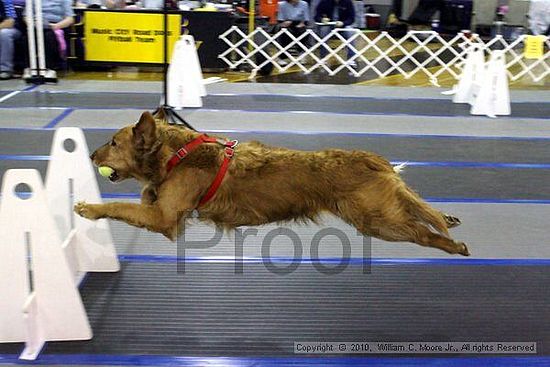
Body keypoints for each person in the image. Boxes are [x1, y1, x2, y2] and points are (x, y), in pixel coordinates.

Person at [314, 0, 356, 67]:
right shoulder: (324, 2)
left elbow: (351, 18)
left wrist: (343, 23)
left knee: (350, 32)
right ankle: (323, 58)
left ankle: (351, 59)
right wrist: (321, 19)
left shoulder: (348, 2)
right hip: (328, 26)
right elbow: (316, 16)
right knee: (324, 31)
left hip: (342, 27)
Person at [276, 0, 310, 65]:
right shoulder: (281, 4)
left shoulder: (304, 4)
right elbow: (280, 19)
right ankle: (282, 57)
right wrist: (285, 23)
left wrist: (302, 23)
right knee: (283, 32)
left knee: (304, 31)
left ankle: (301, 54)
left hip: (299, 23)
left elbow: (306, 19)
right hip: (287, 23)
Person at [0, 0, 19, 79]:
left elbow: (10, 22)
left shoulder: (6, 1)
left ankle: (6, 69)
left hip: (11, 29)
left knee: (4, 33)